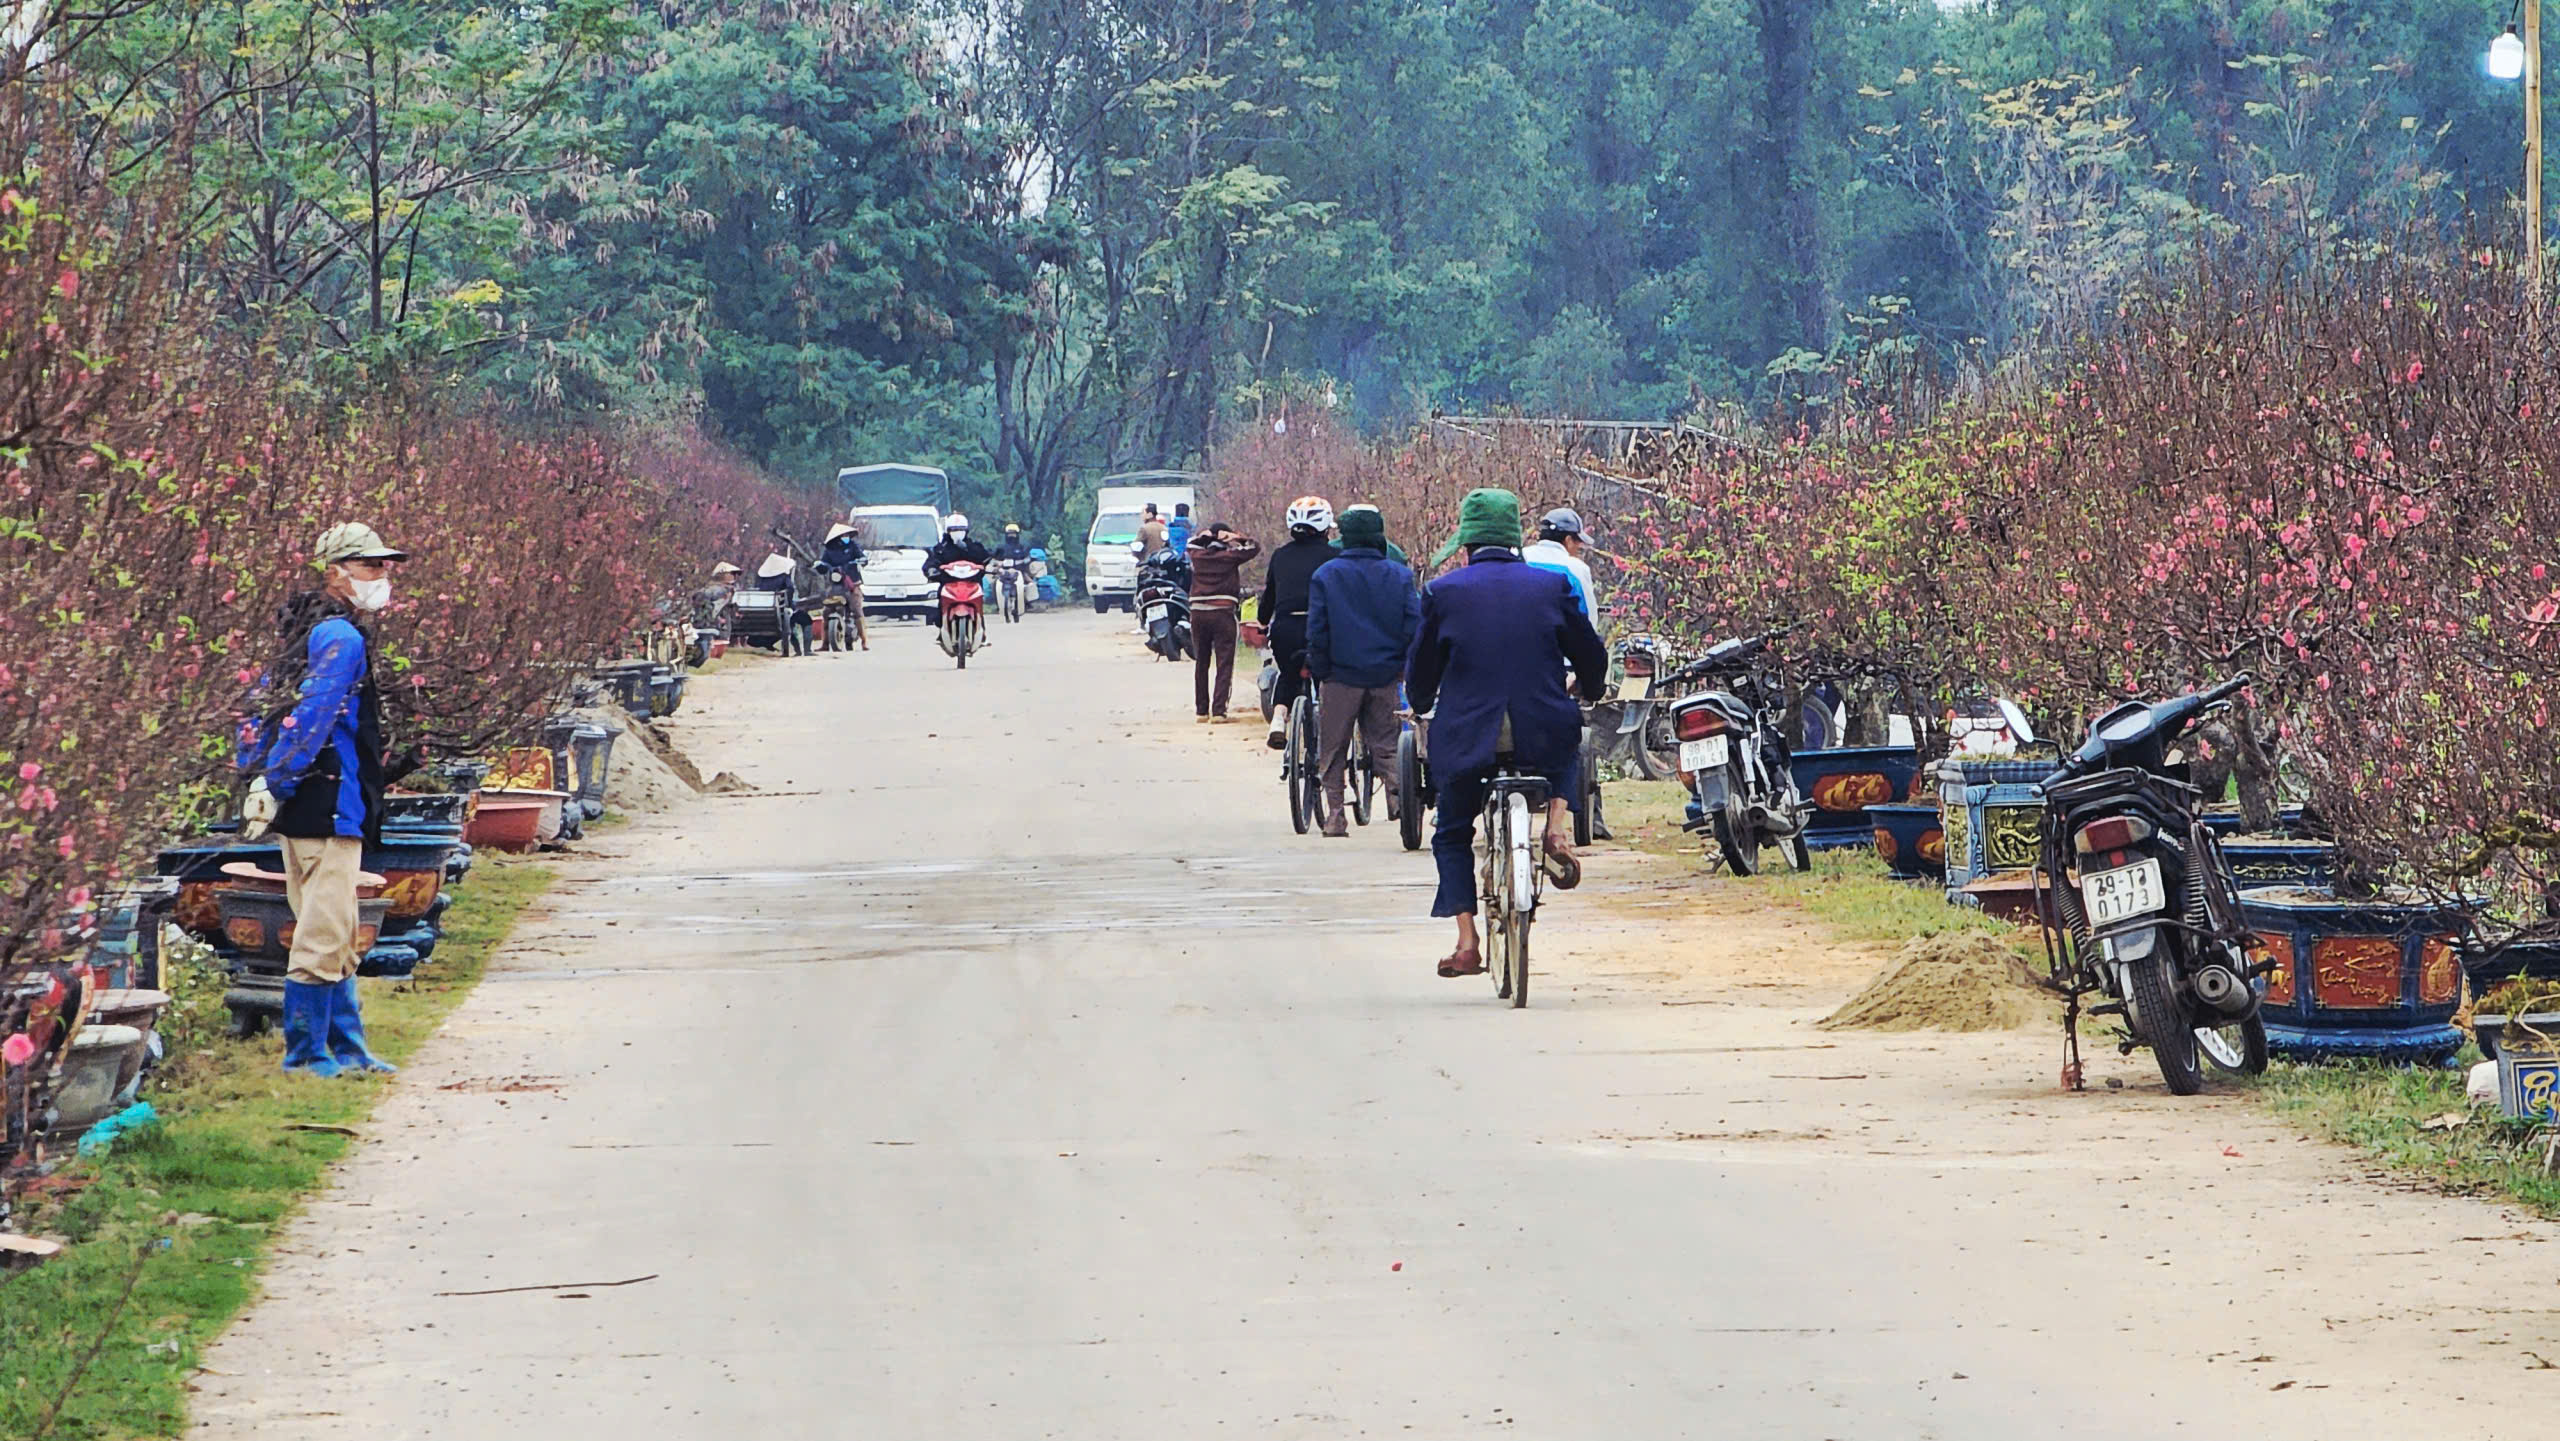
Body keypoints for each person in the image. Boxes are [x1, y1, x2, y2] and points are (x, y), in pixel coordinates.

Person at [1406, 489, 1608, 979]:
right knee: (1569, 744)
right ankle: (1556, 828)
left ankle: (1467, 942)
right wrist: (1591, 687)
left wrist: (1421, 703)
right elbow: (1590, 653)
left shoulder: (1442, 592)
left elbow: (1421, 672)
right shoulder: (1550, 585)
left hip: (1467, 735)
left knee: (1452, 831)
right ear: (1516, 539)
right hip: (1541, 727)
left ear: (1466, 544)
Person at [238, 522, 411, 1077]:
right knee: (324, 930)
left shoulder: (301, 633)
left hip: (307, 803)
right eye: (369, 565)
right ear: (335, 570)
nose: (382, 576)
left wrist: (259, 775)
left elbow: (262, 704)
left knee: (334, 923)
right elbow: (313, 717)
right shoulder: (342, 638)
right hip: (329, 803)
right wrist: (279, 778)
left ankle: (348, 1048)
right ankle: (308, 1054)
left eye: (384, 566)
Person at [1306, 504, 1419, 835]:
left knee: (1333, 747)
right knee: (1386, 744)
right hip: (1385, 675)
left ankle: (1335, 814)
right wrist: (1402, 665)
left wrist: (1322, 669)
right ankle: (1400, 801)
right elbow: (1413, 625)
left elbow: (1318, 629)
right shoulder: (1400, 576)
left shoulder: (1326, 575)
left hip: (1340, 676)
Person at [1253, 495, 1337, 748]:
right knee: (1327, 678)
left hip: (1286, 627)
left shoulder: (1280, 555)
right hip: (1323, 627)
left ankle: (1278, 719)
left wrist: (1262, 622)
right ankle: (1330, 728)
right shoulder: (1335, 556)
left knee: (1288, 674)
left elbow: (1270, 595)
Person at [1186, 522, 1262, 722]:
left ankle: (1201, 710)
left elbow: (1190, 544)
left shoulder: (1197, 556)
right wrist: (1236, 536)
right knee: (1224, 662)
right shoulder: (1230, 557)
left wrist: (1206, 536)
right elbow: (1255, 547)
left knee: (1201, 662)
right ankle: (1219, 711)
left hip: (1198, 613)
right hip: (1223, 612)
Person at [1524, 507, 1597, 620]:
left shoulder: (1521, 558)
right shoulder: (1576, 568)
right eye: (1577, 543)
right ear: (1568, 540)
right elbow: (1588, 617)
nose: (1578, 548)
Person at [820, 523, 869, 652]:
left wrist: (862, 560)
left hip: (853, 583)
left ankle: (864, 641)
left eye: (847, 535)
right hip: (836, 584)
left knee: (857, 610)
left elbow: (862, 557)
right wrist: (821, 566)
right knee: (826, 612)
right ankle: (824, 643)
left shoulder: (853, 546)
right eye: (843, 535)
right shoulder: (829, 549)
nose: (846, 537)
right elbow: (823, 563)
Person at [755, 552, 809, 656]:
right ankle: (797, 649)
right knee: (790, 621)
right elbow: (790, 589)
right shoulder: (784, 577)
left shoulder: (762, 578)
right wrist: (790, 605)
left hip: (761, 606)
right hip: (778, 606)